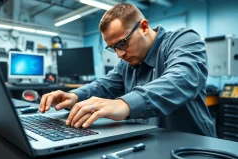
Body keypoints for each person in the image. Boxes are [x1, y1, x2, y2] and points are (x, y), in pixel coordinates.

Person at [39, 3, 216, 137]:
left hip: (194, 149)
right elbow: (103, 85)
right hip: (151, 142)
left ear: (144, 27)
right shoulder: (128, 62)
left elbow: (183, 78)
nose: (120, 54)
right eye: (113, 48)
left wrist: (123, 104)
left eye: (123, 43)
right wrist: (74, 96)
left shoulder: (184, 40)